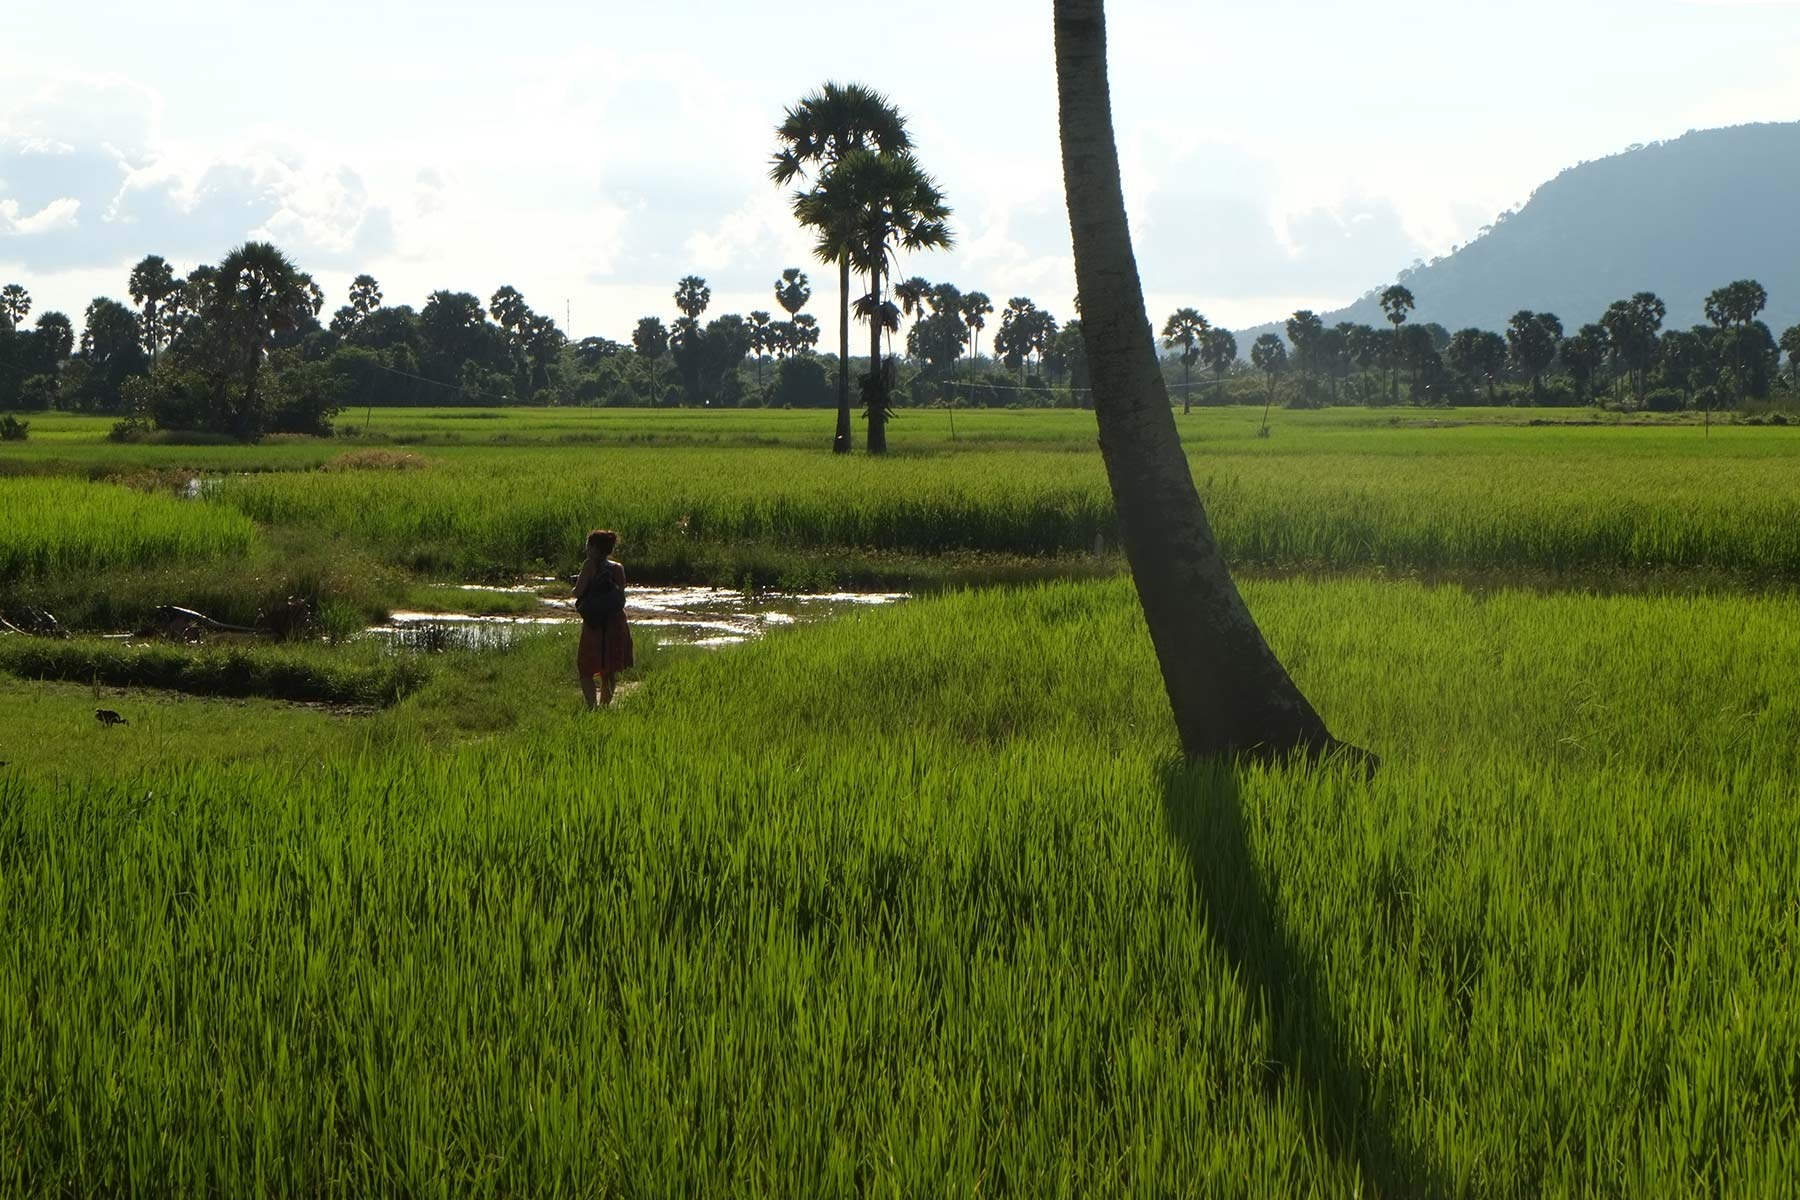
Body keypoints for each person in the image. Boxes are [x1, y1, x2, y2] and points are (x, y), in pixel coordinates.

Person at [573, 529, 634, 708]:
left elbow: (578, 592)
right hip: (616, 622)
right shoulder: (618, 568)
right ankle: (605, 707)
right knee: (609, 670)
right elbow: (620, 594)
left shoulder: (589, 565)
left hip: (595, 624)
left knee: (586, 670)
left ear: (593, 547)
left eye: (587, 544)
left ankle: (592, 708)